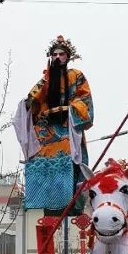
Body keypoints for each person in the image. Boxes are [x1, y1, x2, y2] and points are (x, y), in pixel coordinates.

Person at [14, 34, 94, 215]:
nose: (57, 58)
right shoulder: (45, 79)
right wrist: (29, 105)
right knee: (45, 172)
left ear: (68, 57)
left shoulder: (76, 75)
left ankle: (70, 204)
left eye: (61, 54)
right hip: (46, 133)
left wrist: (67, 109)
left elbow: (85, 101)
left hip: (66, 129)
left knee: (67, 169)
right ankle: (48, 206)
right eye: (54, 55)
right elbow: (31, 102)